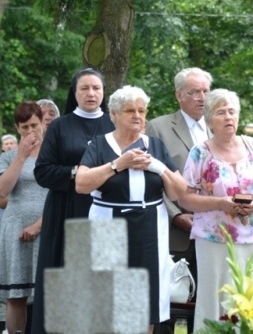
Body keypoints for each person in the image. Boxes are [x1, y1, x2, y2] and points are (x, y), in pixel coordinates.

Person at [76, 86, 188, 332]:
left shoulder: (155, 146)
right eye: (130, 110)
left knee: (147, 293)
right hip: (109, 224)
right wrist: (118, 164)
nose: (137, 116)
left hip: (149, 227)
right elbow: (81, 184)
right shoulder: (99, 144)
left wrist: (158, 167)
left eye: (142, 110)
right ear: (113, 114)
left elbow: (180, 192)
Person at [180, 89, 253, 332]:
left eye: (232, 112)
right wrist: (220, 203)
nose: (228, 117)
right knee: (216, 298)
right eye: (221, 112)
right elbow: (186, 198)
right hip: (214, 238)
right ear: (210, 120)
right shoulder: (200, 152)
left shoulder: (252, 145)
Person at [31, 67, 115, 334]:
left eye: (97, 88)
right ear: (74, 92)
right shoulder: (59, 126)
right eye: (84, 88)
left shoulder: (115, 125)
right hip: (65, 210)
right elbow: (42, 171)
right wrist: (76, 172)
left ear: (104, 92)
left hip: (106, 211)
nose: (91, 93)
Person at [145, 67, 212, 280]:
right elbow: (151, 181)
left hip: (215, 229)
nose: (202, 98)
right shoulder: (158, 128)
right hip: (178, 230)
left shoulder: (218, 127)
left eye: (206, 91)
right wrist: (176, 216)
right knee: (176, 298)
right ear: (179, 95)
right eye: (195, 92)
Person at [0, 101, 49, 334]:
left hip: (47, 227)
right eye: (24, 127)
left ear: (43, 122)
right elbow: (2, 191)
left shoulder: (54, 154)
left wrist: (39, 225)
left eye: (34, 125)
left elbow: (61, 195)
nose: (30, 132)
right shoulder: (9, 157)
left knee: (48, 292)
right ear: (17, 128)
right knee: (16, 295)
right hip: (15, 228)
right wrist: (21, 156)